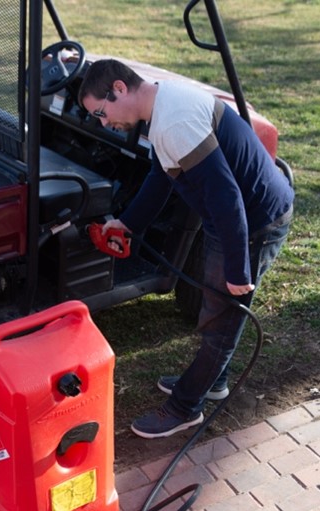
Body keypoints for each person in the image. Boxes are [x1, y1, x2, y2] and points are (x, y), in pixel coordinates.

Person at [78, 58, 294, 439]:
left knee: (220, 321)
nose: (103, 123)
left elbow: (228, 198)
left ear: (119, 89)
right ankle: (212, 383)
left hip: (256, 221)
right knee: (217, 311)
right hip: (234, 217)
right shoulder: (162, 110)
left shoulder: (174, 121)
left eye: (101, 112)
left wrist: (238, 271)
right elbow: (161, 177)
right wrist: (127, 223)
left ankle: (184, 407)